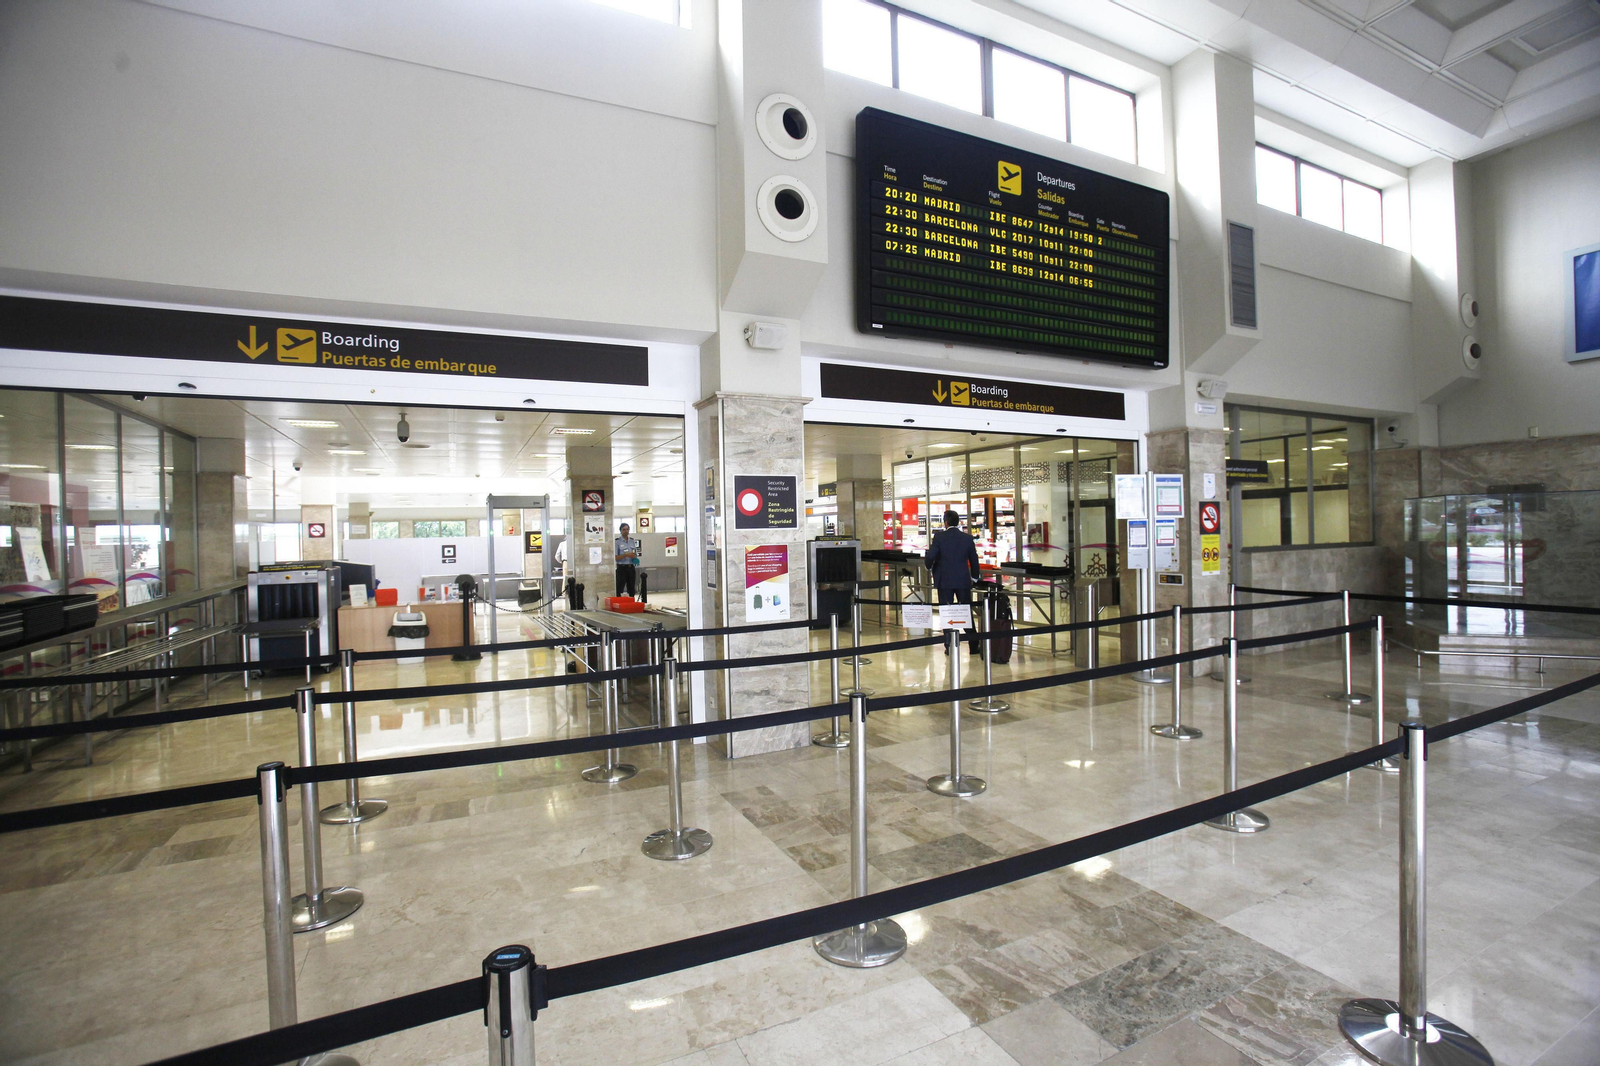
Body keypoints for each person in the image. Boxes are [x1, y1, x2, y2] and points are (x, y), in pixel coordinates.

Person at [925, 509, 981, 654]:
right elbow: (974, 560)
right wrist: (974, 577)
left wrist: (928, 566)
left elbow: (931, 556)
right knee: (966, 611)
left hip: (944, 581)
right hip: (962, 580)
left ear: (946, 522)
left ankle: (949, 645)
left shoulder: (939, 537)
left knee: (946, 612)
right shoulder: (967, 538)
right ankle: (974, 645)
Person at [614, 522, 641, 597]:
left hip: (631, 568)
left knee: (631, 588)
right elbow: (616, 557)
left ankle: (631, 604)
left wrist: (634, 557)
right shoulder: (617, 542)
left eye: (627, 529)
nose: (626, 531)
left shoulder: (632, 541)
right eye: (624, 529)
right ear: (621, 531)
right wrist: (626, 555)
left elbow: (635, 553)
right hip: (621, 568)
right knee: (619, 589)